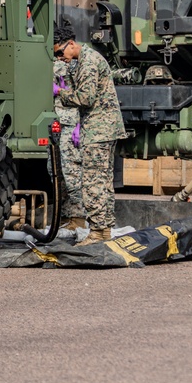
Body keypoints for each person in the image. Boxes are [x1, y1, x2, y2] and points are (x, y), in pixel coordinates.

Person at [53, 25, 126, 246]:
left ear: (71, 44)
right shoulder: (85, 59)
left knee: (92, 182)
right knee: (103, 182)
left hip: (98, 129)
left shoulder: (88, 61)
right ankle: (103, 231)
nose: (60, 57)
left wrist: (60, 93)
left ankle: (97, 232)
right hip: (101, 128)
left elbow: (86, 97)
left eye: (60, 52)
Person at [53, 58, 85, 237]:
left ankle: (80, 219)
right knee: (56, 173)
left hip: (70, 122)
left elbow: (84, 96)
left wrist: (80, 124)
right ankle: (67, 217)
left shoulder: (74, 65)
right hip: (53, 122)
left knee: (72, 172)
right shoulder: (45, 61)